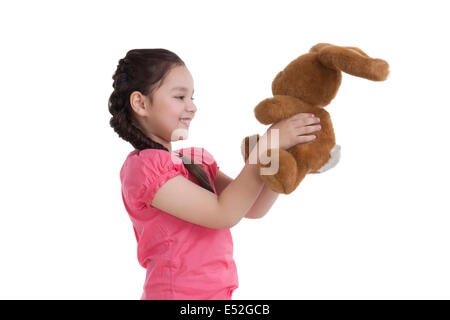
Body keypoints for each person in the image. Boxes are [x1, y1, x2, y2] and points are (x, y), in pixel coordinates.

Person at [108, 48, 322, 300]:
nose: (192, 107)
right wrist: (267, 145)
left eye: (193, 98)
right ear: (140, 103)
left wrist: (284, 155)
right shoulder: (144, 168)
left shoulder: (194, 161)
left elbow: (252, 208)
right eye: (180, 96)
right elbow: (224, 213)